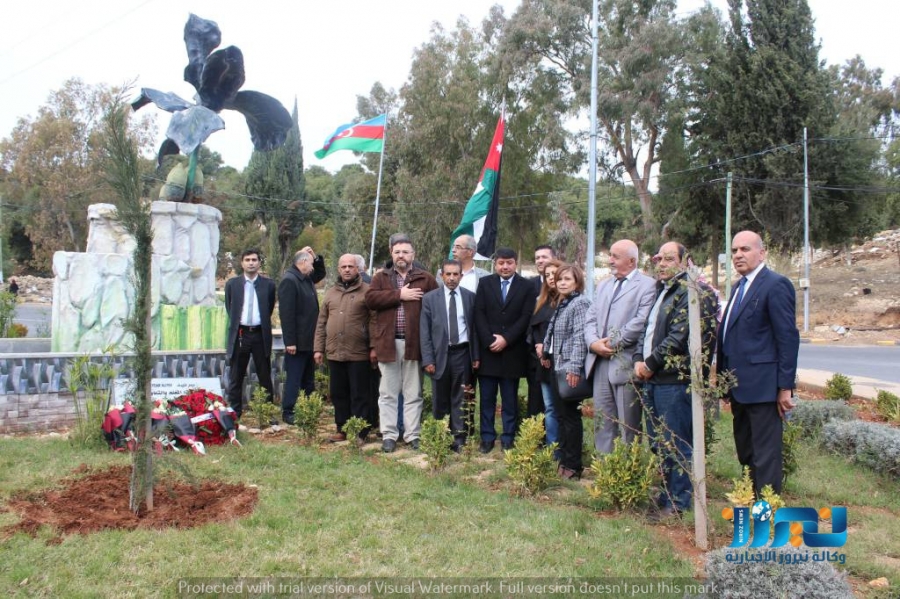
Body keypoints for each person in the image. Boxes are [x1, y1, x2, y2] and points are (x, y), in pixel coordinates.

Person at [633, 242, 718, 518]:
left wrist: (650, 363)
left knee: (676, 442)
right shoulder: (662, 290)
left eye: (670, 258)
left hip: (674, 380)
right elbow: (648, 331)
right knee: (660, 442)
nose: (663, 263)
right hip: (652, 379)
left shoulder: (694, 291)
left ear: (686, 260)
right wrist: (638, 359)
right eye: (659, 259)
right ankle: (667, 494)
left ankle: (678, 504)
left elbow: (679, 337)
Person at [717, 230, 799, 496]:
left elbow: (787, 338)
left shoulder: (775, 284)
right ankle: (751, 498)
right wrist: (723, 381)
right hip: (740, 386)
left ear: (761, 253)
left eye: (745, 249)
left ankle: (766, 510)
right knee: (746, 450)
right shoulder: (739, 287)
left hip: (763, 387)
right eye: (734, 251)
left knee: (765, 455)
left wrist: (784, 387)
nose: (738, 255)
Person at [584, 239, 657, 453]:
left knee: (629, 424)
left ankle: (628, 472)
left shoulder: (648, 285)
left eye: (615, 256)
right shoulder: (604, 284)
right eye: (610, 256)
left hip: (625, 363)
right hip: (600, 363)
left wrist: (611, 343)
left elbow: (640, 322)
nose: (610, 260)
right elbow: (590, 318)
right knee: (603, 421)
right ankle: (606, 472)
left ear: (632, 261)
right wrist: (593, 343)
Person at [366, 237, 438, 452]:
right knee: (387, 392)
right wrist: (400, 295)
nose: (401, 256)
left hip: (414, 344)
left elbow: (436, 309)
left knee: (413, 392)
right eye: (397, 252)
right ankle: (389, 435)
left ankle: (412, 434)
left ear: (413, 255)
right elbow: (371, 300)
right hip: (388, 343)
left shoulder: (426, 279)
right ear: (391, 253)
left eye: (405, 252)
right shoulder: (381, 278)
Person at [474, 247, 536, 452]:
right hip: (488, 350)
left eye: (509, 262)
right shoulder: (485, 283)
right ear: (495, 264)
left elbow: (526, 316)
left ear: (515, 263)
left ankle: (508, 437)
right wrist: (489, 339)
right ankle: (487, 437)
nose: (505, 266)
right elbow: (479, 314)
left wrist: (506, 339)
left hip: (512, 352)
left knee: (509, 399)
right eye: (501, 263)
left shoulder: (526, 286)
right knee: (487, 399)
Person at [420, 260, 480, 452]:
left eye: (456, 274)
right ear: (442, 275)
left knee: (461, 396)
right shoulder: (430, 299)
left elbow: (475, 329)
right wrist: (428, 359)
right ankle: (441, 434)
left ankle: (459, 437)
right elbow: (425, 332)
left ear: (461, 276)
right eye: (448, 274)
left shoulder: (470, 297)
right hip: (439, 355)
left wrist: (476, 356)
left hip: (462, 353)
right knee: (440, 397)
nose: (452, 278)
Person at [315, 254, 375, 442]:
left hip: (359, 352)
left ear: (358, 269)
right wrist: (318, 348)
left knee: (359, 394)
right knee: (338, 393)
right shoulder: (331, 293)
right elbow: (321, 322)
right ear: (339, 269)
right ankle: (342, 429)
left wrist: (373, 347)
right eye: (344, 266)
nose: (347, 269)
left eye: (351, 266)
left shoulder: (368, 291)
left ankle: (360, 431)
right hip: (335, 352)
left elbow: (375, 321)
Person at [541, 264, 592, 479]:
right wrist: (545, 352)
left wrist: (574, 368)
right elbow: (554, 333)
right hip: (556, 364)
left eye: (567, 279)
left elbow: (580, 337)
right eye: (560, 279)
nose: (562, 282)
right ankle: (564, 459)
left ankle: (573, 465)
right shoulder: (563, 302)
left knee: (570, 417)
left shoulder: (580, 303)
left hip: (569, 367)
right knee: (561, 415)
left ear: (577, 282)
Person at [224, 249, 277, 419]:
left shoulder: (268, 285)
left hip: (260, 334)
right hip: (240, 333)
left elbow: (268, 308)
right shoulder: (232, 284)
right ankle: (235, 412)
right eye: (247, 259)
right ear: (242, 263)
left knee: (264, 375)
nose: (251, 262)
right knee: (236, 375)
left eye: (254, 259)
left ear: (259, 263)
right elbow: (229, 307)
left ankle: (266, 413)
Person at [278, 247, 326, 425]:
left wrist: (315, 256)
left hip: (309, 340)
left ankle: (308, 408)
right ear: (303, 262)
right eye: (311, 263)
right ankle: (288, 411)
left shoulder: (305, 278)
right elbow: (286, 314)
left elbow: (320, 273)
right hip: (297, 342)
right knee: (294, 378)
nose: (313, 266)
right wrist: (290, 341)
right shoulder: (290, 280)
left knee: (308, 378)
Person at [529, 259, 563, 448]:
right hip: (543, 362)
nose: (551, 278)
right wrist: (538, 347)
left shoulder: (570, 301)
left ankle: (563, 448)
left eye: (554, 274)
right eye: (547, 275)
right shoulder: (541, 302)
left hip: (562, 363)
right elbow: (534, 328)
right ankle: (552, 449)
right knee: (549, 407)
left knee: (563, 409)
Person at [526, 244, 557, 417]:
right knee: (537, 397)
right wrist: (537, 344)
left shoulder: (566, 288)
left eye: (544, 257)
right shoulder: (529, 285)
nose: (540, 260)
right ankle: (535, 436)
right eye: (537, 258)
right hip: (534, 352)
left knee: (555, 403)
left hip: (557, 354)